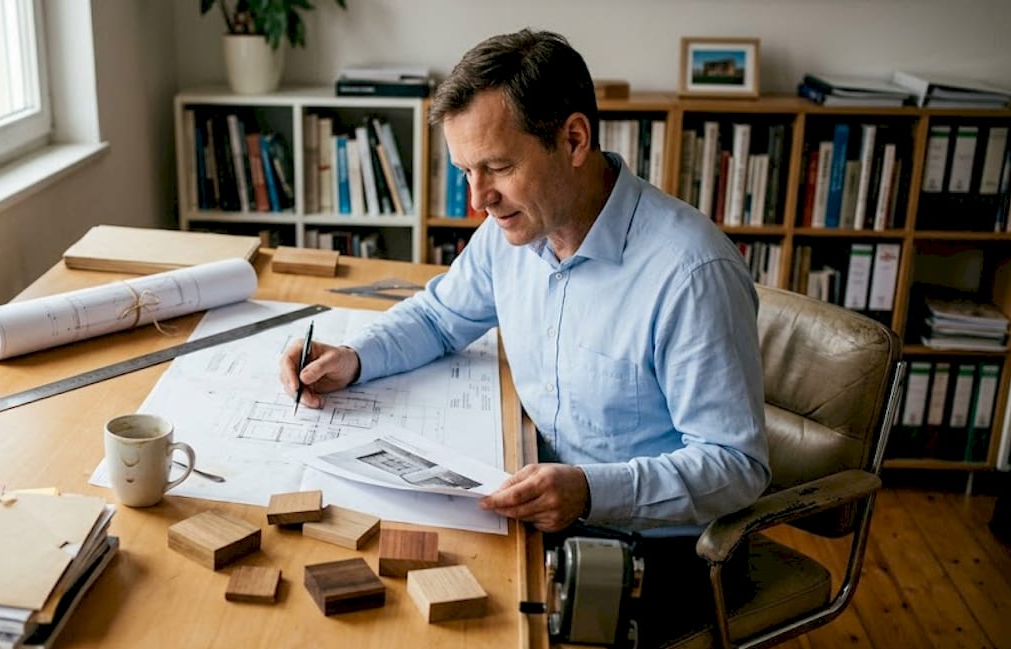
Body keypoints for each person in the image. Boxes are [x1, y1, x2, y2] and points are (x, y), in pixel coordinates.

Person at [279, 29, 770, 536]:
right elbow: (437, 318)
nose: (478, 200)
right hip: (530, 492)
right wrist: (355, 357)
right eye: (466, 171)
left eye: (498, 167)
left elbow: (736, 466)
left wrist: (591, 492)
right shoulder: (511, 231)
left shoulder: (691, 275)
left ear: (573, 140)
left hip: (641, 545)